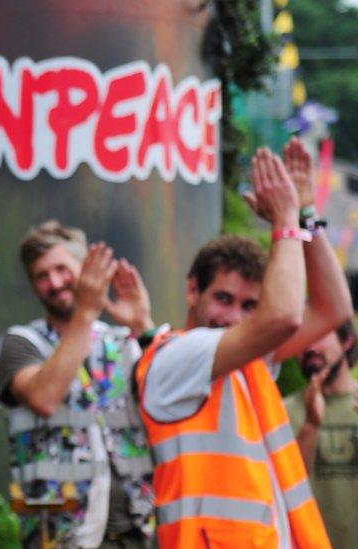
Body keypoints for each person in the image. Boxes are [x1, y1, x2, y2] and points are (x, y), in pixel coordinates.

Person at [135, 140, 351, 548]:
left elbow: (333, 308)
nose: (234, 317)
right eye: (223, 299)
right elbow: (284, 315)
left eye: (249, 305)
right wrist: (286, 221)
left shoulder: (248, 360)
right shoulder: (176, 355)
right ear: (192, 291)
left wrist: (306, 216)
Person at [0, 220, 158, 548]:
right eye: (41, 276)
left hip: (137, 530)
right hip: (57, 532)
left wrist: (142, 324)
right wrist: (87, 312)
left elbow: (173, 401)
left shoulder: (122, 342)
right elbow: (45, 397)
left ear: (86, 270)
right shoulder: (21, 343)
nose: (54, 283)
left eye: (62, 270)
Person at [284, 320, 358, 547]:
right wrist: (310, 427)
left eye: (318, 335)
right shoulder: (280, 412)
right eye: (302, 338)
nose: (310, 346)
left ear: (347, 341)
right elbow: (283, 490)